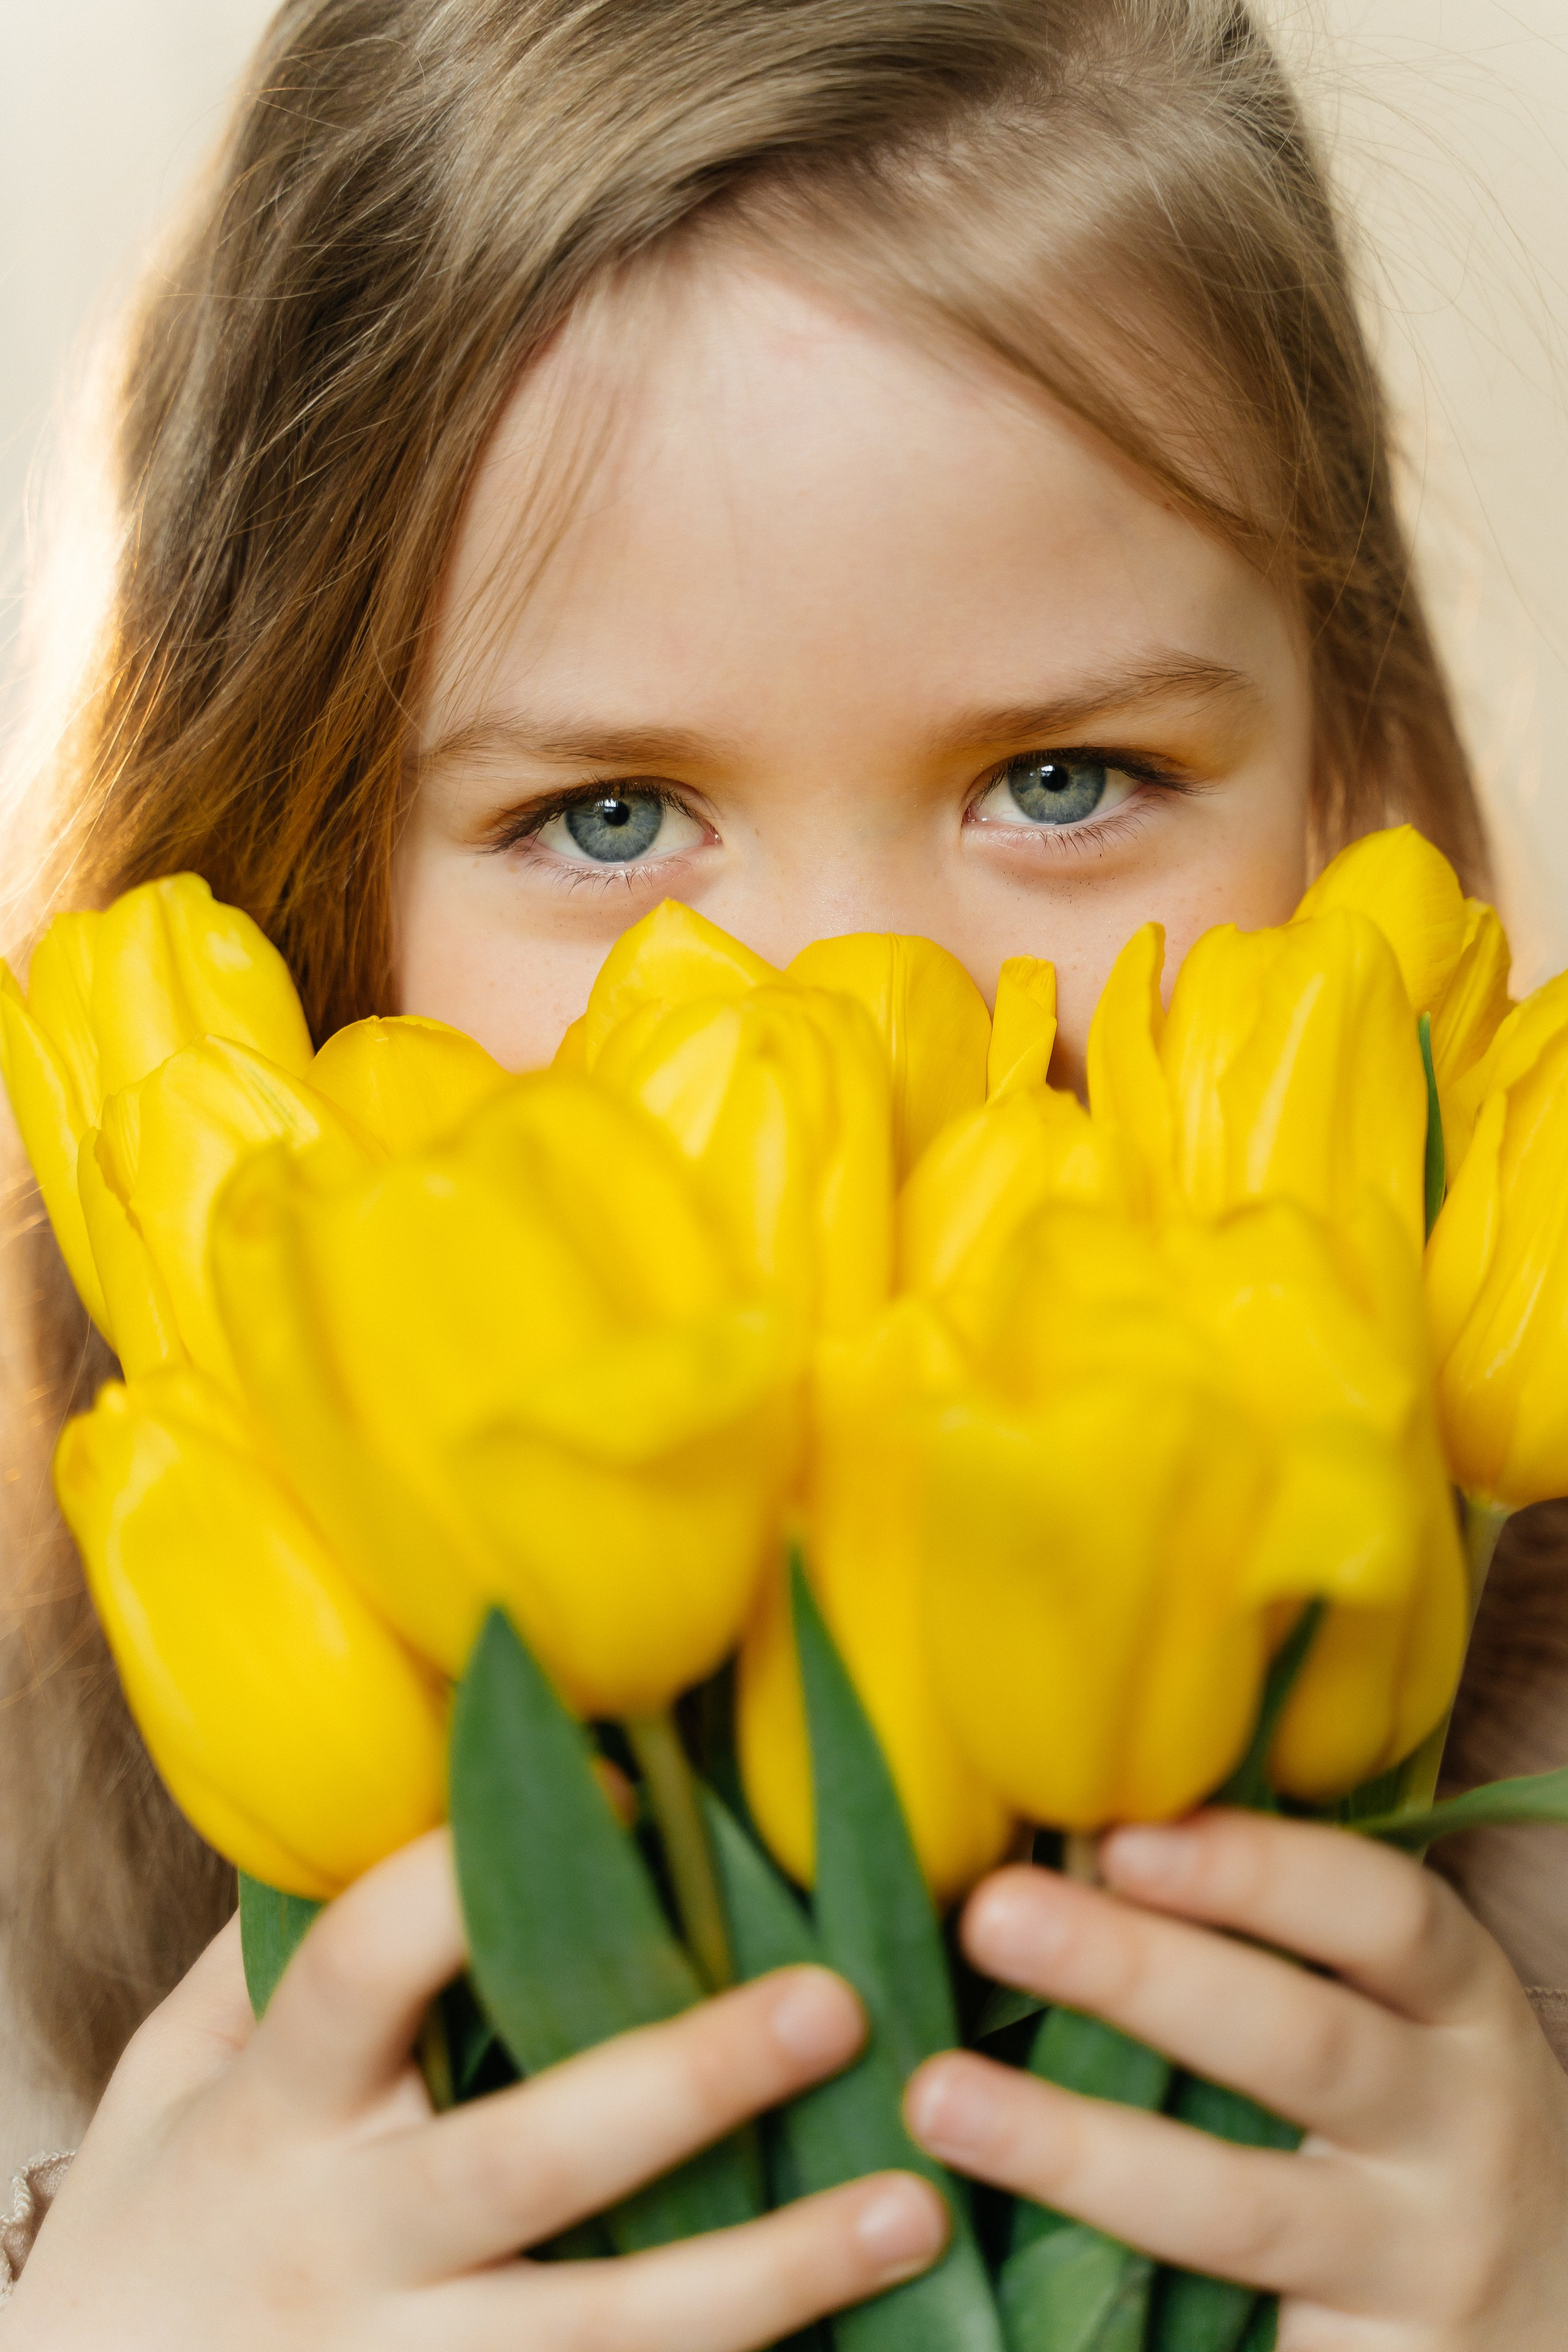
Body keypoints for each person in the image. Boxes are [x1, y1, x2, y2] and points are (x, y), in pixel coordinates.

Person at [3, 0, 1567, 2341]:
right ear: (298, 897)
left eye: (1065, 779)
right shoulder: (72, 1965)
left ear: (1352, 802)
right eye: (609, 821)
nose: (863, 1000)